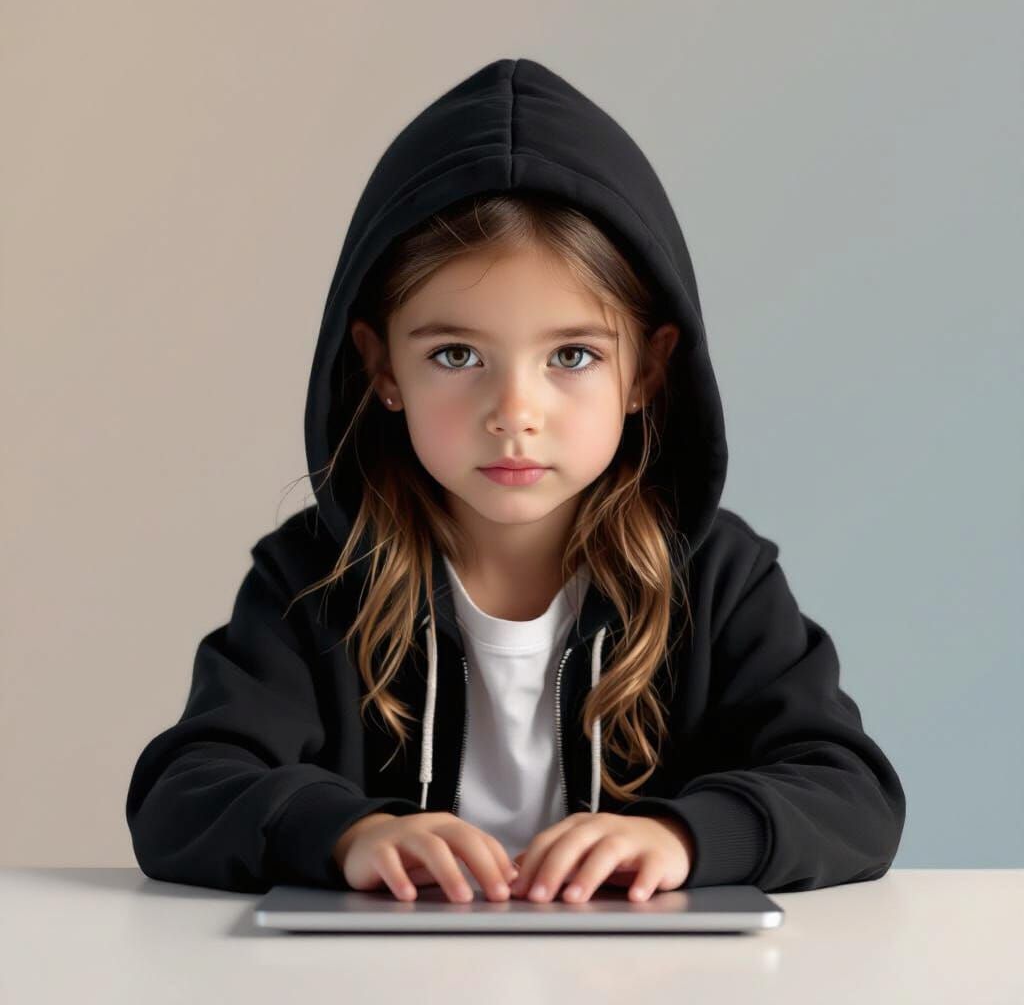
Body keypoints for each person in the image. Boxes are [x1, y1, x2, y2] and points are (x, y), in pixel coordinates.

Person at [125, 58, 906, 905]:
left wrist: (684, 836)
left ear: (647, 371)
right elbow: (182, 791)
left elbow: (852, 793)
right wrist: (350, 833)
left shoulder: (718, 581)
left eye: (572, 355)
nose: (515, 411)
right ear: (382, 369)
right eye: (455, 355)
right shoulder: (314, 579)